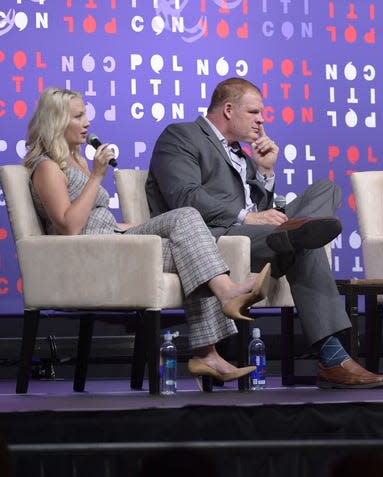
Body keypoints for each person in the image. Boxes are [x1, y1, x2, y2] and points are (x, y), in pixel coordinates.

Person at [146, 77, 383, 389]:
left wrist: (265, 171)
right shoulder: (181, 136)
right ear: (229, 110)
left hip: (256, 236)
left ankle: (293, 234)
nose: (262, 120)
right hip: (211, 239)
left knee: (326, 189)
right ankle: (333, 358)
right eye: (255, 112)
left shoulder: (242, 154)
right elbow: (185, 197)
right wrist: (248, 215)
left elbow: (261, 208)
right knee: (305, 244)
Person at [23, 87, 265, 389]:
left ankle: (208, 353)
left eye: (85, 114)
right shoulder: (47, 167)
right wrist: (97, 176)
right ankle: (216, 324)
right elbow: (69, 227)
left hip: (111, 238)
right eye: (78, 116)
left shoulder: (75, 161)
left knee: (189, 235)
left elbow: (94, 216)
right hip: (88, 254)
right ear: (56, 122)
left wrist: (127, 227)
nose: (87, 122)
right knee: (188, 222)